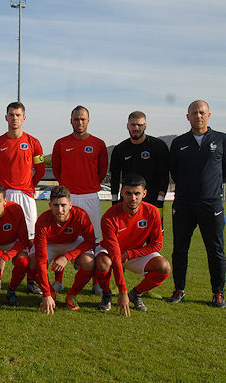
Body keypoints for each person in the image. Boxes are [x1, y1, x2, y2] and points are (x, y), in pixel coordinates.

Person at [168, 100, 226, 308]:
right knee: (180, 249)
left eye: (202, 112)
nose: (198, 116)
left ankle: (217, 292)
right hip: (183, 204)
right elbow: (174, 172)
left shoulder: (221, 139)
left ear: (209, 115)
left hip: (211, 205)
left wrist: (210, 188)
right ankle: (179, 289)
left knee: (215, 250)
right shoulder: (179, 142)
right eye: (194, 113)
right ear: (188, 117)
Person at [94, 174, 170, 315]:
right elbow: (115, 253)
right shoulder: (110, 217)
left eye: (137, 194)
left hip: (134, 252)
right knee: (103, 262)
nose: (133, 198)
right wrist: (122, 291)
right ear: (122, 192)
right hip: (111, 252)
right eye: (128, 193)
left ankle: (136, 294)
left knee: (164, 267)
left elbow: (157, 244)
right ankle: (106, 295)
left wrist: (130, 254)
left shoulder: (152, 211)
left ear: (144, 193)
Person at [51, 105, 107, 295]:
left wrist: (88, 185)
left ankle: (97, 282)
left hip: (90, 196)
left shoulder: (99, 144)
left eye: (83, 119)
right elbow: (57, 170)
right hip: (69, 196)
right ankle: (58, 281)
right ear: (71, 121)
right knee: (63, 237)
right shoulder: (60, 143)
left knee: (95, 240)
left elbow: (102, 171)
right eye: (76, 119)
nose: (79, 122)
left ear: (88, 120)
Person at [0, 101, 45, 294]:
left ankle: (30, 281)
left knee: (29, 239)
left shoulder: (33, 143)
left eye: (18, 115)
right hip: (5, 196)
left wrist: (30, 185)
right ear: (6, 117)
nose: (14, 118)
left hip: (26, 196)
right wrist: (4, 191)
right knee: (0, 236)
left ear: (24, 118)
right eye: (11, 115)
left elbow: (40, 169)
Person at [35, 186, 96, 315]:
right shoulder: (42, 221)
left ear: (70, 205)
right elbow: (40, 259)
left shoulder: (81, 215)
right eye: (56, 205)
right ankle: (50, 291)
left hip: (72, 242)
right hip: (50, 244)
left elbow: (90, 241)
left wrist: (67, 256)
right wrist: (46, 294)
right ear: (50, 205)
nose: (60, 210)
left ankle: (72, 295)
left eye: (63, 205)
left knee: (89, 262)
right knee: (32, 263)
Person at [110, 111, 169, 208]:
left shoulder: (159, 146)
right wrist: (114, 201)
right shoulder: (120, 149)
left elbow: (164, 175)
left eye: (139, 125)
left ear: (145, 126)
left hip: (152, 202)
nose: (136, 128)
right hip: (128, 202)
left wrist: (160, 200)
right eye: (133, 125)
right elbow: (115, 177)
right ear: (127, 126)